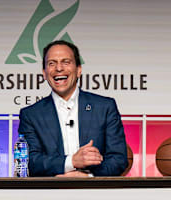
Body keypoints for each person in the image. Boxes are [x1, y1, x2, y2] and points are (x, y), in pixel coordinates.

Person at [18, 40, 127, 177]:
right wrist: (72, 162)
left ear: (79, 70)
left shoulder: (105, 107)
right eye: (52, 63)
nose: (59, 68)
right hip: (49, 194)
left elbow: (119, 159)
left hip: (96, 193)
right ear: (44, 73)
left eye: (66, 62)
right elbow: (30, 162)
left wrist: (88, 177)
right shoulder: (31, 115)